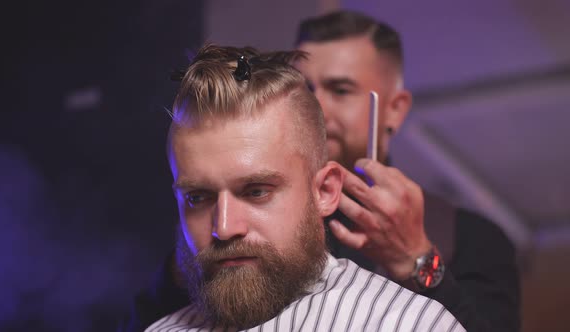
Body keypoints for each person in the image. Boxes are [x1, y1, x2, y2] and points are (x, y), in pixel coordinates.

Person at [122, 11, 519, 332]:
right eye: (307, 88)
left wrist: (418, 261)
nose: (320, 107)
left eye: (340, 89)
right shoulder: (217, 225)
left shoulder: (465, 236)